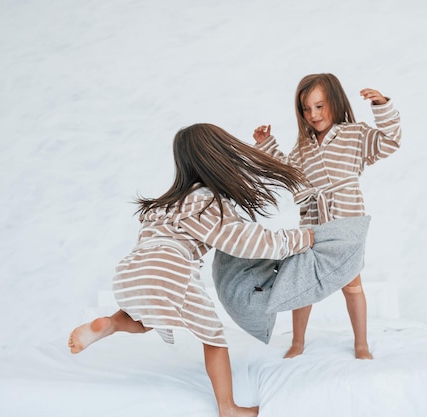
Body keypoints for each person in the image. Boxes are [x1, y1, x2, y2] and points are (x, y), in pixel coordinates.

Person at [68, 123, 316, 417]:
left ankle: (110, 324)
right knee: (213, 337)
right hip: (170, 269)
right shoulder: (206, 202)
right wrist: (301, 238)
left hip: (129, 272)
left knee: (144, 317)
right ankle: (228, 407)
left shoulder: (162, 205)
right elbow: (247, 243)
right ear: (218, 159)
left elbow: (149, 252)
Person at [252, 73, 402, 360]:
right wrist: (267, 144)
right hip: (311, 224)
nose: (313, 114)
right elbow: (286, 172)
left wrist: (381, 105)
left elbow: (390, 141)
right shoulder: (303, 147)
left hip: (346, 220)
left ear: (334, 102)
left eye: (319, 106)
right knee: (301, 281)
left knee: (352, 284)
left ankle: (361, 344)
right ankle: (297, 341)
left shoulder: (355, 134)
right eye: (306, 109)